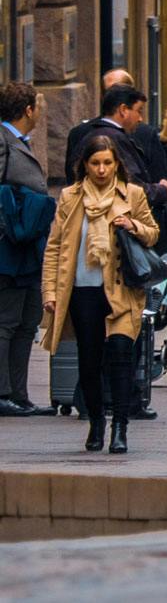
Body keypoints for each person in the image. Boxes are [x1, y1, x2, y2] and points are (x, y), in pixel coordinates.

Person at [39, 135, 157, 453]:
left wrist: (132, 224)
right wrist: (49, 290)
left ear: (117, 163)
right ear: (85, 165)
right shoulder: (70, 197)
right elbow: (54, 247)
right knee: (89, 364)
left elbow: (153, 233)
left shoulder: (131, 194)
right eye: (95, 163)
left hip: (122, 292)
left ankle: (120, 427)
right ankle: (96, 423)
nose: (102, 169)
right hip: (82, 291)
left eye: (107, 162)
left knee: (121, 357)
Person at [0, 82, 53, 416]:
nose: (41, 111)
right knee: (6, 321)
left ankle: (19, 394)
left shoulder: (22, 142)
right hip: (9, 248)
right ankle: (2, 393)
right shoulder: (3, 141)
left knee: (27, 321)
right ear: (28, 110)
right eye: (38, 105)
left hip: (29, 247)